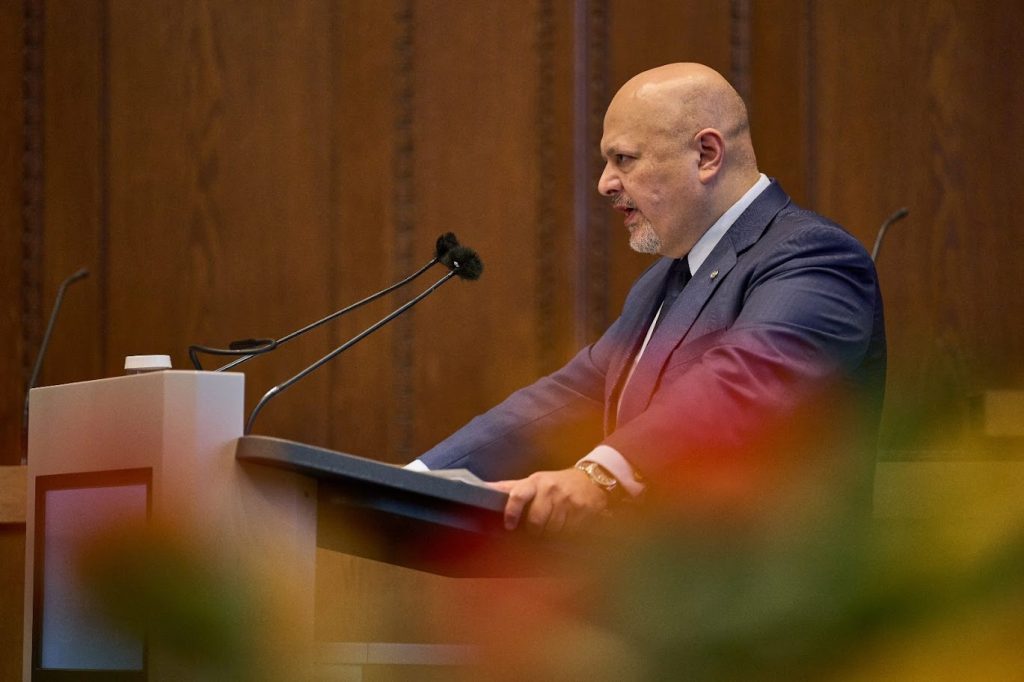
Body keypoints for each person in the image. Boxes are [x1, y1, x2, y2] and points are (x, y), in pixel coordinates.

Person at [409, 63, 886, 535]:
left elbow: (745, 381)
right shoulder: (663, 280)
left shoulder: (814, 256)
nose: (604, 183)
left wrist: (601, 476)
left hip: (781, 603)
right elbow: (571, 397)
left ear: (706, 154)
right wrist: (415, 481)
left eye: (624, 159)